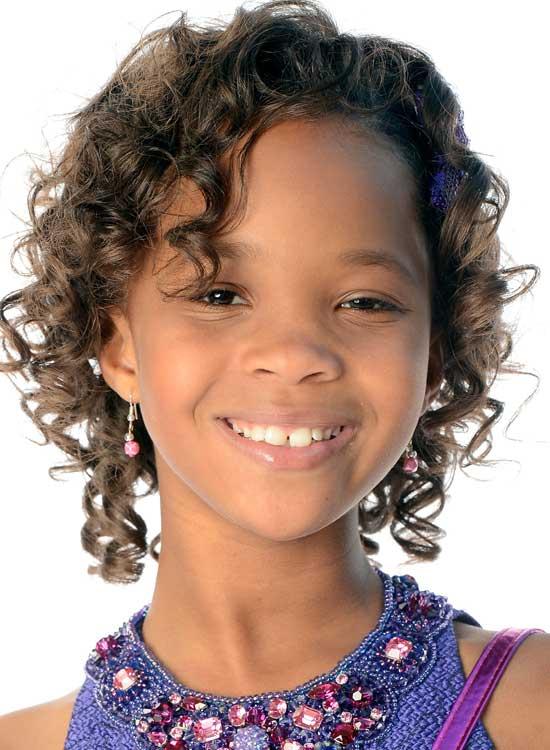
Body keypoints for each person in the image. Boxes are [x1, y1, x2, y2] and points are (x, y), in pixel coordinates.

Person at [0, 1, 548, 748]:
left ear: (433, 358)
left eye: (363, 301)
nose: (294, 354)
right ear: (118, 344)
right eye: (219, 294)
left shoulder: (529, 710)